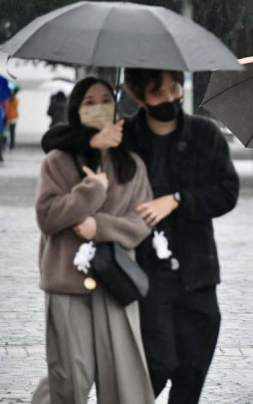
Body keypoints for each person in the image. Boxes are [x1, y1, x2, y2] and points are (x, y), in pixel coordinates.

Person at [41, 69, 240, 403]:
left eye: (174, 88)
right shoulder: (127, 134)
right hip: (143, 273)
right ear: (138, 95)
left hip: (197, 269)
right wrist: (91, 140)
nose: (169, 98)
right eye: (157, 92)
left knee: (193, 370)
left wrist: (177, 200)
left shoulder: (205, 134)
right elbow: (54, 141)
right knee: (154, 363)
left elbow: (227, 191)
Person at [33, 77, 155, 403]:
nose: (98, 107)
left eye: (105, 100)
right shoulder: (57, 162)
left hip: (115, 283)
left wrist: (98, 226)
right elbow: (47, 217)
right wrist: (92, 190)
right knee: (69, 380)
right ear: (76, 111)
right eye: (89, 102)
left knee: (123, 385)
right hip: (66, 285)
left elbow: (141, 221)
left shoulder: (131, 165)